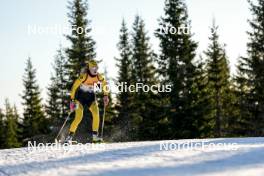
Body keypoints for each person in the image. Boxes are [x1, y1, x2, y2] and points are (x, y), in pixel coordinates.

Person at [65, 60, 109, 143]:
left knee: (96, 114)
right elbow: (74, 87)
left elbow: (105, 84)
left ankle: (95, 137)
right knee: (78, 117)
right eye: (93, 68)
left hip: (91, 98)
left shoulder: (99, 76)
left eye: (96, 68)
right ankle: (69, 138)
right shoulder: (84, 76)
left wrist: (106, 95)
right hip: (80, 98)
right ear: (89, 68)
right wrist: (72, 100)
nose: (95, 69)